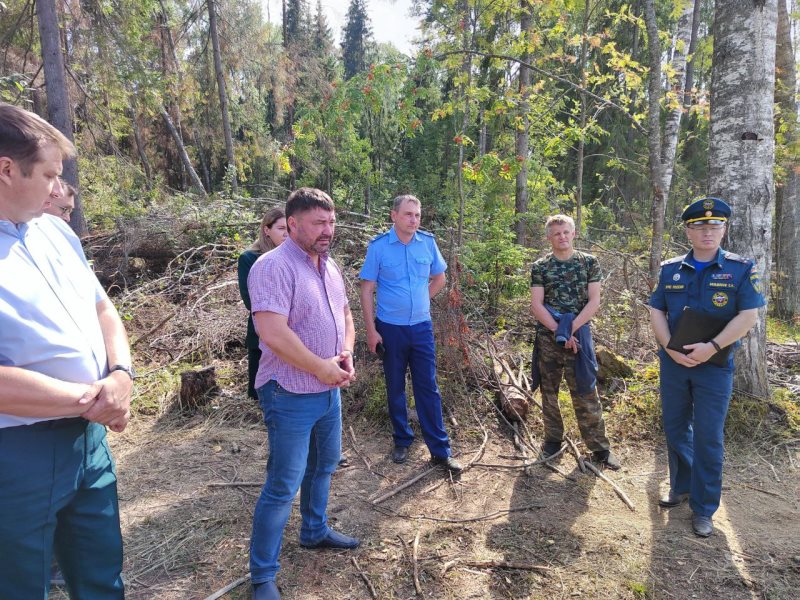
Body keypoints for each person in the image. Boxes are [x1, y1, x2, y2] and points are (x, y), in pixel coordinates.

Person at [0, 103, 133, 597]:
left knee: (101, 574)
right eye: (51, 174)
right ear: (7, 169)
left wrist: (120, 376)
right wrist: (94, 399)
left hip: (87, 441)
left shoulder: (55, 231)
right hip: (15, 454)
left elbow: (103, 310)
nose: (60, 189)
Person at [247, 188, 359, 600]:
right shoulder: (271, 267)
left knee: (324, 464)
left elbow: (345, 313)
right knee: (283, 484)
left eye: (331, 222)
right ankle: (262, 576)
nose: (327, 230)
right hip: (289, 393)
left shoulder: (329, 266)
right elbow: (272, 332)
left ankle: (313, 531)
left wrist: (345, 350)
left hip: (328, 390)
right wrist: (320, 367)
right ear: (292, 224)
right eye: (318, 223)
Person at [649, 197, 764, 537]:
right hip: (674, 364)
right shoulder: (670, 269)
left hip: (714, 365)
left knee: (709, 437)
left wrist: (712, 346)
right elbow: (657, 310)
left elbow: (748, 316)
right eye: (699, 226)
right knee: (674, 427)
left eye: (715, 226)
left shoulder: (741, 268)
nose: (707, 232)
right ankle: (682, 486)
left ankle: (703, 507)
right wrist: (670, 350)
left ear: (724, 229)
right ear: (688, 231)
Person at [359, 194, 462, 472]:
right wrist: (371, 330)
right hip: (389, 329)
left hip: (421, 328)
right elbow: (367, 289)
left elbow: (440, 278)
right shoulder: (379, 247)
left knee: (428, 387)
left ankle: (440, 450)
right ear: (394, 216)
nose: (413, 220)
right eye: (408, 214)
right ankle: (402, 439)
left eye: (417, 215)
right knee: (395, 386)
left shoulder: (427, 243)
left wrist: (422, 300)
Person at [529, 214, 620, 470]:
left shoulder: (589, 263)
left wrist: (571, 331)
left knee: (586, 391)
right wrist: (559, 331)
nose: (562, 236)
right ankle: (552, 441)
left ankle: (600, 449)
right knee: (549, 393)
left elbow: (594, 301)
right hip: (548, 338)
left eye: (566, 232)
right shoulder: (540, 266)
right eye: (557, 233)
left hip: (579, 337)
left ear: (574, 233)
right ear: (549, 237)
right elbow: (537, 304)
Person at [238, 207, 287, 399]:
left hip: (291, 331)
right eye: (280, 228)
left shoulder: (294, 256)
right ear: (267, 230)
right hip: (262, 330)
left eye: (289, 228)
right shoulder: (249, 258)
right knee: (260, 392)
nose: (286, 233)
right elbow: (250, 300)